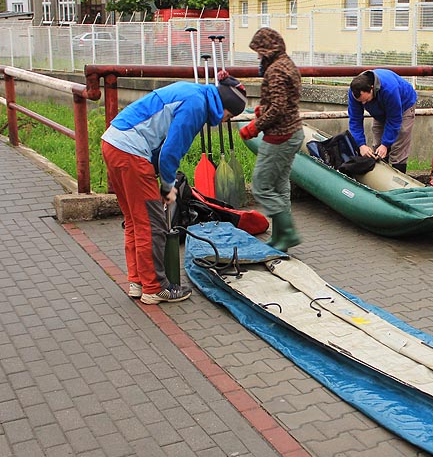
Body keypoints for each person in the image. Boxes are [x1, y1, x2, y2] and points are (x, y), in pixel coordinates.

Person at [102, 78, 248, 304]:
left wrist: (156, 177)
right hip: (131, 152)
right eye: (228, 117)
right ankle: (155, 288)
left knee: (134, 220)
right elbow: (170, 151)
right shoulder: (196, 105)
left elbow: (159, 139)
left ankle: (138, 281)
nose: (223, 121)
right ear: (224, 107)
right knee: (152, 225)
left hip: (114, 142)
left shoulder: (193, 91)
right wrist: (168, 186)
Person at [239, 27, 304, 252]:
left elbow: (277, 108)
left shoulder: (275, 71)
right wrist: (263, 109)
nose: (257, 56)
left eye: (259, 51)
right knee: (279, 186)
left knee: (261, 187)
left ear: (268, 50)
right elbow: (285, 101)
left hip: (280, 136)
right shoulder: (288, 64)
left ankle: (287, 233)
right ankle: (279, 239)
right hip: (294, 131)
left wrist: (254, 126)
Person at [347, 69, 418, 173]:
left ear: (372, 88)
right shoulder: (354, 93)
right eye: (361, 102)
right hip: (379, 110)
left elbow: (394, 119)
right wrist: (361, 145)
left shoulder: (390, 89)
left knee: (399, 139)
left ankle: (398, 176)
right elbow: (355, 120)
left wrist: (385, 145)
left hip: (403, 105)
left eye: (366, 101)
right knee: (378, 144)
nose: (363, 104)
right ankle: (379, 175)